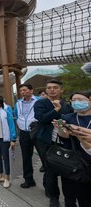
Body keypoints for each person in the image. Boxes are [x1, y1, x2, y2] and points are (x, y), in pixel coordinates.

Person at [33, 79, 73, 207]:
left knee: (67, 171)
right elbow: (41, 118)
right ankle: (53, 198)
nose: (52, 90)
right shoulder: (41, 103)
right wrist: (56, 110)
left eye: (55, 87)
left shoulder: (67, 105)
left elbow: (71, 120)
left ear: (61, 90)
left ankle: (69, 199)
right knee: (50, 171)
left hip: (65, 141)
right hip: (46, 141)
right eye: (49, 87)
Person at [53, 91, 91, 207]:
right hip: (76, 161)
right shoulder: (68, 117)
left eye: (80, 100)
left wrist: (78, 130)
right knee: (80, 194)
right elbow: (65, 138)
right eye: (73, 100)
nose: (76, 102)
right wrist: (60, 129)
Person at [14, 83, 39, 188]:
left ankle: (49, 185)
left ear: (31, 90)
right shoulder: (18, 103)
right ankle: (28, 180)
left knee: (44, 156)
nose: (23, 92)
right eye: (21, 91)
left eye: (25, 90)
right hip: (24, 133)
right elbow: (15, 114)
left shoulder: (39, 101)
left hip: (37, 131)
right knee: (26, 157)